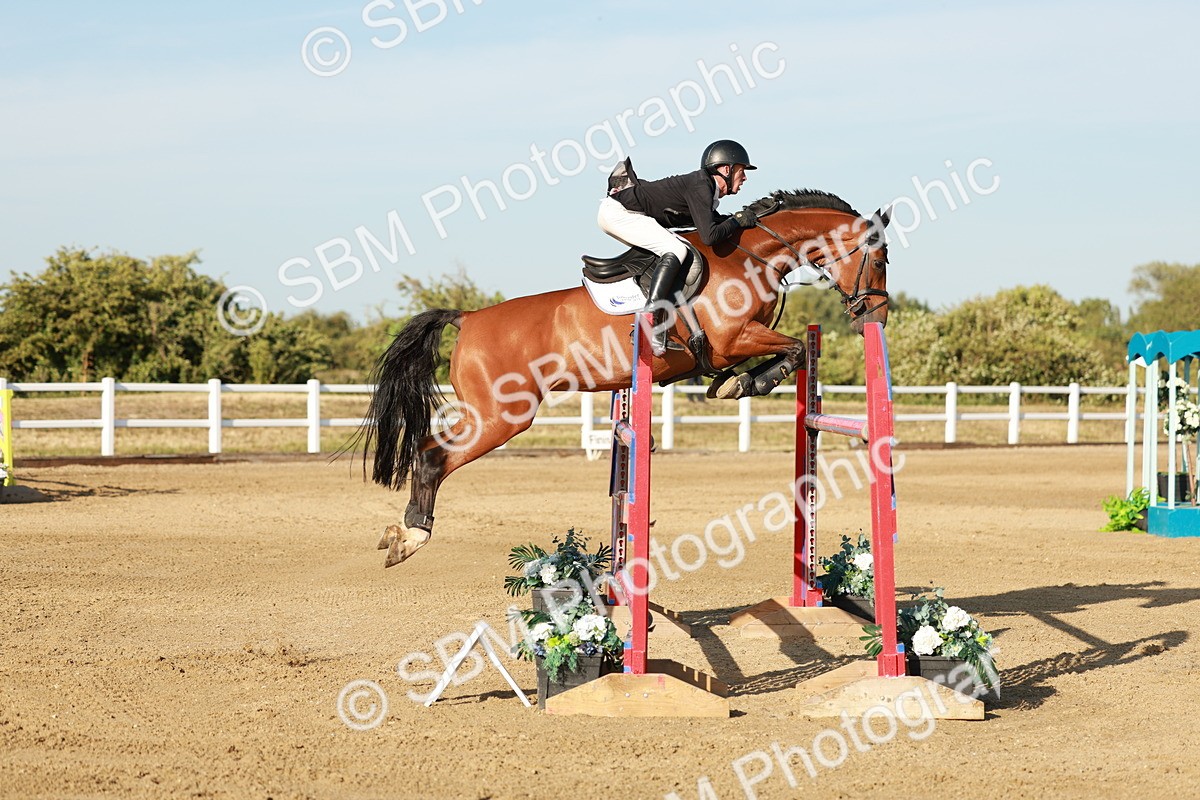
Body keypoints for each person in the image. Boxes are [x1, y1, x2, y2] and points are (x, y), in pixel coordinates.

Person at [598, 139, 758, 355]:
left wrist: (738, 221)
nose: (745, 177)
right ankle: (649, 322)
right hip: (620, 213)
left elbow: (716, 223)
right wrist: (737, 220)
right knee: (677, 250)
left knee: (682, 249)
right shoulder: (701, 186)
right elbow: (710, 236)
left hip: (624, 213)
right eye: (742, 170)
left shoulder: (705, 188)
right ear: (726, 169)